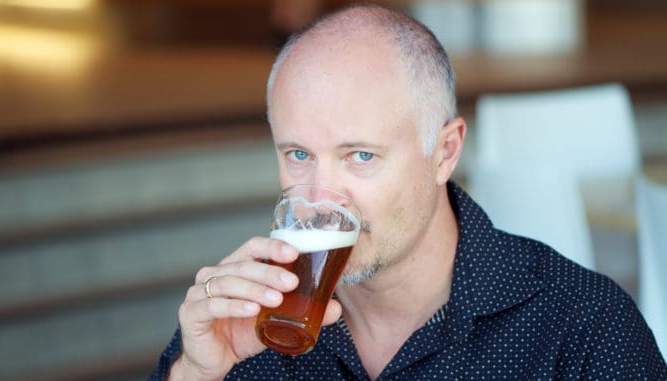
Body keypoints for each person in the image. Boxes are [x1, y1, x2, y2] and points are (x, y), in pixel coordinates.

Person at [150, 4, 667, 380]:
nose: (321, 200)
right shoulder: (242, 324)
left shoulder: (582, 327)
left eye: (361, 156)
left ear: (445, 152)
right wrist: (195, 372)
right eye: (299, 155)